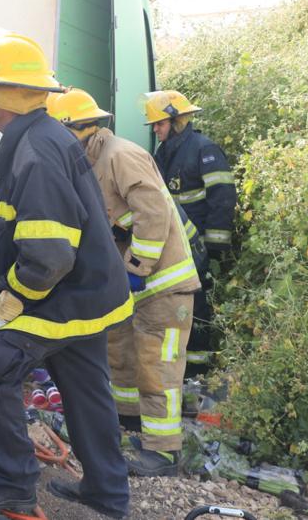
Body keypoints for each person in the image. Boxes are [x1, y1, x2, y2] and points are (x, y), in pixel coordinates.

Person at [0, 33, 133, 518]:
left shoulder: (36, 151)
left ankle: (9, 486)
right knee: (86, 385)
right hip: (91, 291)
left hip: (65, 290)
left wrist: (10, 303)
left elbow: (49, 256)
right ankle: (107, 495)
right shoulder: (40, 138)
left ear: (4, 97)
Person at [47, 88, 201, 477]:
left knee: (157, 366)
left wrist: (137, 267)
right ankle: (135, 427)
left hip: (164, 284)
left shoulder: (121, 155)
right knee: (122, 356)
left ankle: (163, 453)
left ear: (79, 129)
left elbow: (152, 212)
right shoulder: (92, 160)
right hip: (135, 283)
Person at [142, 90, 236, 364]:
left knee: (198, 306)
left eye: (159, 124)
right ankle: (180, 364)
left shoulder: (203, 149)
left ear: (176, 121)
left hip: (198, 247)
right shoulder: (165, 153)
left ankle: (198, 369)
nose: (156, 130)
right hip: (175, 245)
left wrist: (215, 247)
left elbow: (223, 198)